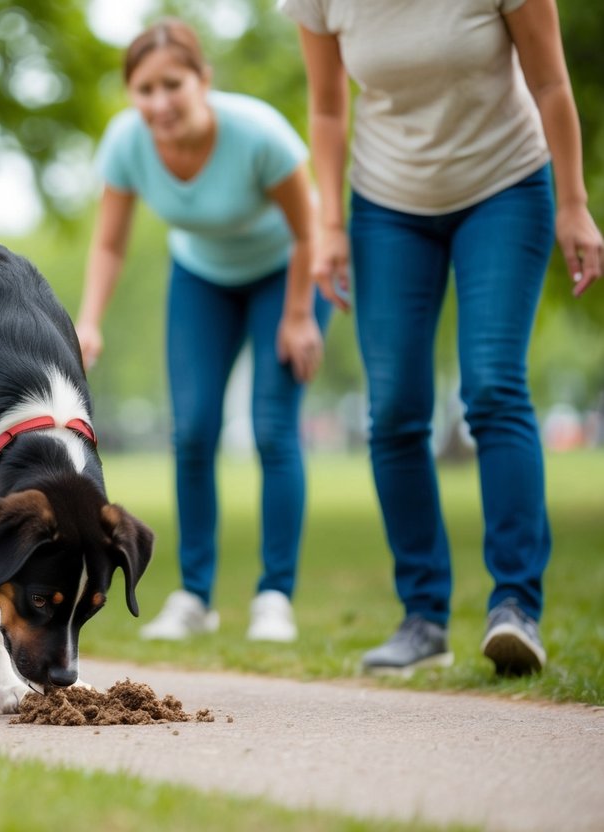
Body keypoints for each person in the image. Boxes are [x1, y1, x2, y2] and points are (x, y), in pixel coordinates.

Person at [280, 0, 603, 675]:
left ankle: (515, 605)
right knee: (394, 408)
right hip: (386, 201)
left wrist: (573, 204)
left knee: (491, 385)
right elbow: (328, 108)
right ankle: (422, 616)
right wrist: (331, 225)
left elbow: (548, 83)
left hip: (504, 185)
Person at [75, 19, 331, 644]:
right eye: (144, 89)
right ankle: (195, 596)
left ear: (203, 81)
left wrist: (299, 316)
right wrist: (88, 319)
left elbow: (309, 230)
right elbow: (110, 242)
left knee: (273, 428)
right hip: (202, 278)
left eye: (173, 85)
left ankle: (275, 596)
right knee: (192, 432)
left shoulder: (257, 135)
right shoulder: (128, 143)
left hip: (288, 273)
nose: (159, 103)